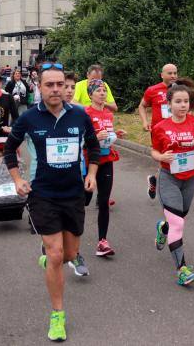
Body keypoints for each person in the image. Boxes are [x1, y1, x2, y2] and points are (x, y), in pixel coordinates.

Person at [4, 63, 100, 342]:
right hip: (42, 194)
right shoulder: (29, 118)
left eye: (60, 84)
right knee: (57, 254)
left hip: (73, 194)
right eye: (50, 85)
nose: (56, 89)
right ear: (40, 87)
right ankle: (57, 314)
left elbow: (93, 146)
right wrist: (17, 179)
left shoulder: (80, 116)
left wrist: (92, 173)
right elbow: (10, 148)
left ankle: (50, 259)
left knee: (69, 254)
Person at [151, 83, 194, 286]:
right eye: (178, 101)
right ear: (169, 104)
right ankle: (182, 269)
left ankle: (163, 229)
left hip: (189, 179)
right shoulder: (160, 127)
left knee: (179, 217)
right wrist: (162, 156)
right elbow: (153, 152)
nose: (183, 105)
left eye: (186, 101)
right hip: (168, 177)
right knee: (179, 223)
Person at [84, 80, 126, 257]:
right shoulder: (85, 113)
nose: (102, 93)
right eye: (99, 91)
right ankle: (68, 234)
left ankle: (102, 241)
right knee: (83, 201)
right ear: (90, 94)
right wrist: (94, 136)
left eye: (104, 90)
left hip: (106, 159)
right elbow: (79, 138)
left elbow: (107, 135)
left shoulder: (108, 114)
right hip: (88, 162)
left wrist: (116, 134)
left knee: (104, 201)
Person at [138, 63, 178, 199]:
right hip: (159, 132)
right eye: (169, 73)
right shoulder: (153, 90)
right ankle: (167, 190)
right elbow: (142, 106)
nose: (173, 76)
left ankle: (156, 180)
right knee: (166, 160)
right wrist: (145, 121)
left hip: (177, 130)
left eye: (175, 73)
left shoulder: (181, 89)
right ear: (162, 75)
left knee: (172, 160)